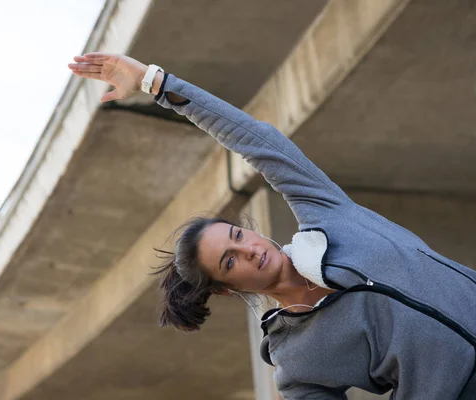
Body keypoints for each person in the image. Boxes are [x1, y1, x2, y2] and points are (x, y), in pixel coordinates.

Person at [68, 53, 476, 399]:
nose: (247, 250)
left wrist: (153, 82)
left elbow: (257, 141)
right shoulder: (295, 361)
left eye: (238, 236)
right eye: (229, 262)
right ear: (227, 288)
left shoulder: (327, 214)